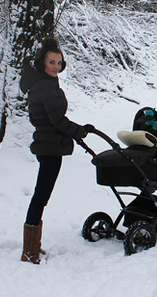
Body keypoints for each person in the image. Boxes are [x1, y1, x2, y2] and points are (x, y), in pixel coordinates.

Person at [19, 37, 95, 264]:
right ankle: (30, 251)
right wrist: (80, 131)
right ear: (42, 62)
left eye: (59, 62)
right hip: (49, 146)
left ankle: (32, 247)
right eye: (52, 62)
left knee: (41, 196)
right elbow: (57, 121)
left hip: (49, 143)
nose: (56, 66)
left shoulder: (45, 83)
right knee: (40, 196)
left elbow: (55, 119)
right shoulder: (44, 85)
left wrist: (77, 130)